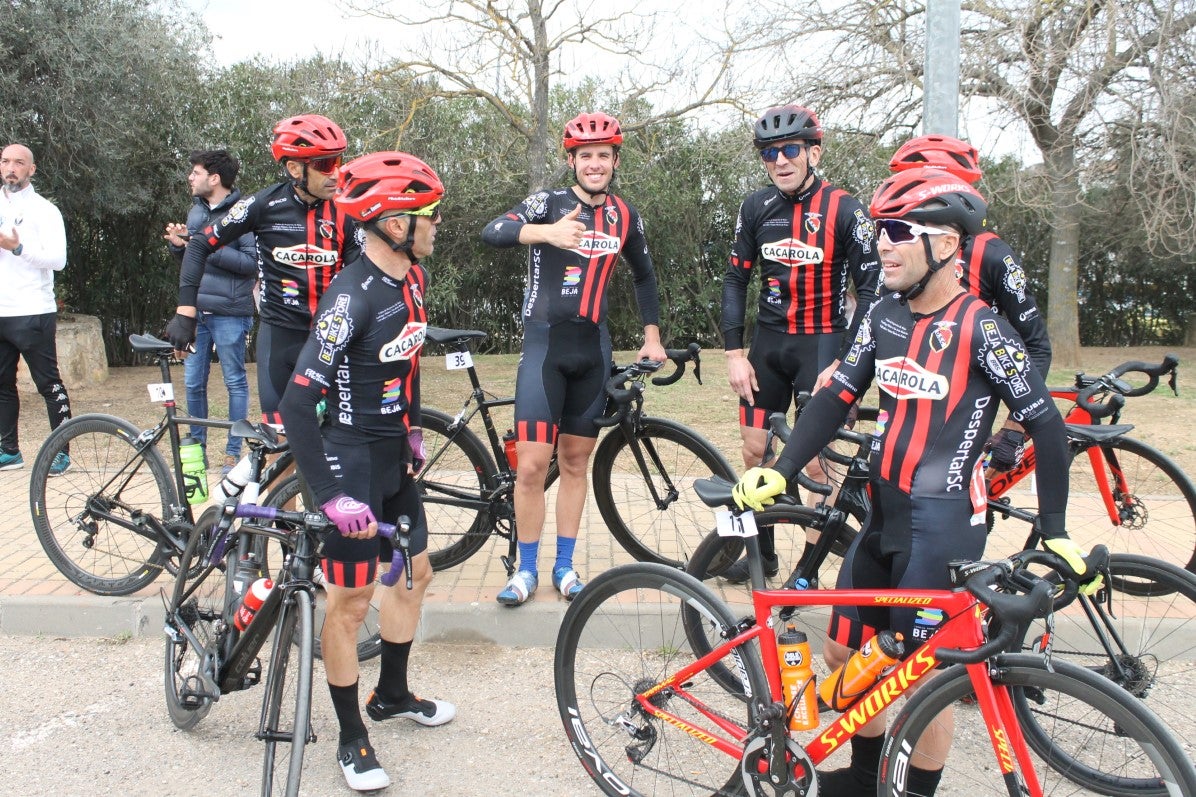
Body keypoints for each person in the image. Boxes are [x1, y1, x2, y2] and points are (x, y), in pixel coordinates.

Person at [731, 168, 1093, 796]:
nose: (882, 245)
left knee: (923, 678)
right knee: (846, 656)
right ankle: (866, 778)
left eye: (900, 232)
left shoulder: (984, 329)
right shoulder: (883, 315)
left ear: (948, 246)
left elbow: (1050, 430)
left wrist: (1056, 531)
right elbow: (837, 394)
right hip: (882, 515)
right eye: (879, 233)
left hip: (945, 528)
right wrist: (780, 471)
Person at [279, 151, 454, 792]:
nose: (437, 225)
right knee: (350, 605)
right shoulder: (349, 296)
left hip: (392, 458)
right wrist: (328, 497)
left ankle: (394, 694)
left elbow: (404, 362)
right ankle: (353, 739)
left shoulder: (412, 280)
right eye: (427, 215)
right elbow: (299, 402)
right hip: (349, 462)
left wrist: (409, 423)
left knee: (414, 575)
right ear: (392, 222)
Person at [480, 111, 666, 606]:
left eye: (604, 155)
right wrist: (545, 234)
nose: (595, 164)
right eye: (586, 156)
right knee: (532, 466)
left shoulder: (625, 215)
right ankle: (525, 570)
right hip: (545, 346)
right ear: (572, 161)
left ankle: (564, 567)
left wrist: (652, 335)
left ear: (614, 161)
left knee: (577, 462)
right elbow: (493, 231)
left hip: (593, 349)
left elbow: (644, 276)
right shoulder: (549, 204)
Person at [720, 104, 880, 582]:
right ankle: (761, 555)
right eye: (770, 154)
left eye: (790, 150)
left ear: (814, 151)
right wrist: (733, 353)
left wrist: (850, 360)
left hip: (822, 347)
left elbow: (874, 287)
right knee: (754, 450)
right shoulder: (755, 207)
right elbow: (734, 280)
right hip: (768, 346)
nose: (781, 161)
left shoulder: (846, 208)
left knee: (820, 461)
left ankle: (805, 571)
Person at [165, 114, 361, 427]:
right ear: (295, 168)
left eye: (338, 161)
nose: (335, 174)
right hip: (280, 336)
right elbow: (200, 244)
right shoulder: (263, 204)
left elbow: (363, 277)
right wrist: (185, 312)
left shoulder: (347, 211)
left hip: (330, 338)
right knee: (281, 441)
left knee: (338, 437)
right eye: (324, 164)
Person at [889, 134, 1052, 473]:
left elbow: (1035, 344)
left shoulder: (993, 255)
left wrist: (1015, 429)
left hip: (967, 401)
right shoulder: (899, 247)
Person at [163, 149, 257, 476]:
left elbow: (250, 265)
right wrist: (181, 247)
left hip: (231, 311)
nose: (190, 177)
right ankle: (197, 449)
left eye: (196, 172)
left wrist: (204, 246)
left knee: (234, 381)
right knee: (192, 383)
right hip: (197, 313)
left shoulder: (245, 215)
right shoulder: (195, 213)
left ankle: (233, 451)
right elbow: (192, 264)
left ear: (214, 179)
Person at [0, 143, 71, 475]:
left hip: (32, 310)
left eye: (19, 162)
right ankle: (9, 451)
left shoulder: (45, 211)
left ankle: (61, 450)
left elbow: (58, 260)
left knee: (47, 383)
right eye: (5, 161)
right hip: (1, 309)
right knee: (2, 384)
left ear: (32, 169)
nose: (11, 167)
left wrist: (19, 249)